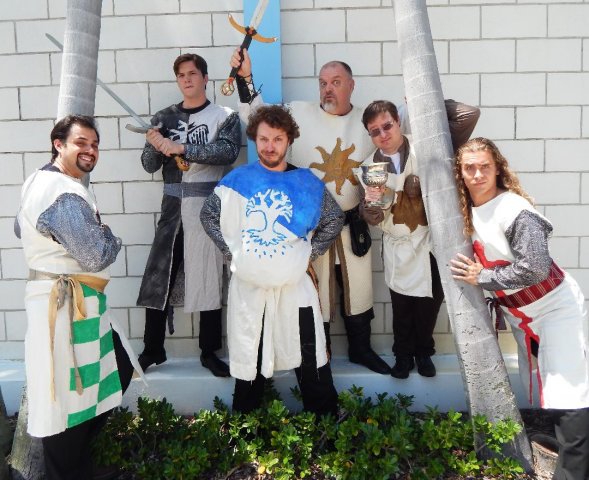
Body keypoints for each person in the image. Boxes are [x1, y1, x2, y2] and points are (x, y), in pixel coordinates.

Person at [229, 48, 390, 374]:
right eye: (323, 83)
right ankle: (320, 353)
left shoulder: (368, 123)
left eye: (336, 82)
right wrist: (245, 78)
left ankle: (361, 349)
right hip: (313, 227)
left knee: (359, 289)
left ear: (351, 85)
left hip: (354, 225)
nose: (328, 89)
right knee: (318, 293)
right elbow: (258, 117)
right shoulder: (298, 115)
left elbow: (393, 148)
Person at [450, 137, 589, 480]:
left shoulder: (513, 209)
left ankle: (573, 473)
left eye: (485, 166)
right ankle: (568, 452)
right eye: (470, 168)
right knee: (546, 389)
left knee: (569, 390)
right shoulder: (467, 208)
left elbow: (536, 267)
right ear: (460, 173)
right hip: (524, 315)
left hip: (554, 308)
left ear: (498, 168)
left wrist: (483, 277)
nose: (478, 174)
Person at [15, 115, 139, 479]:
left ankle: (77, 465)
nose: (90, 150)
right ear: (59, 144)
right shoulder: (61, 191)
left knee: (109, 368)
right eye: (81, 142)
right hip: (64, 304)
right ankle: (65, 472)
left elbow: (19, 227)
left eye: (95, 144)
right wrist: (111, 236)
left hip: (73, 300)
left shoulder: (41, 181)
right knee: (66, 392)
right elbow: (96, 253)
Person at [200, 105, 342, 415]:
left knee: (311, 360)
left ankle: (327, 424)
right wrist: (234, 253)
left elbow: (334, 219)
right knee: (250, 362)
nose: (270, 146)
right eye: (264, 139)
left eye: (277, 139)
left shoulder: (306, 182)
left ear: (289, 140)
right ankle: (246, 427)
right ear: (255, 139)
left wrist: (309, 255)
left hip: (296, 290)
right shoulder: (238, 181)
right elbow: (208, 215)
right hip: (250, 291)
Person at [136, 53, 241, 377]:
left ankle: (209, 351)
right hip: (172, 210)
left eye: (193, 73)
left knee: (208, 276)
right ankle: (152, 348)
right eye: (181, 75)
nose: (187, 79)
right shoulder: (163, 118)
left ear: (205, 78)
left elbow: (228, 151)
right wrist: (155, 144)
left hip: (207, 208)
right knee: (159, 277)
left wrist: (183, 148)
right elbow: (149, 166)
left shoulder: (224, 116)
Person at [360, 100, 480, 379]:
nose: (383, 135)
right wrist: (370, 212)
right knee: (401, 307)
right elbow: (377, 214)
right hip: (399, 246)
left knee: (430, 304)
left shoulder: (426, 146)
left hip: (431, 243)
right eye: (375, 131)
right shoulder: (371, 166)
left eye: (387, 126)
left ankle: (424, 352)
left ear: (398, 121)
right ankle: (403, 355)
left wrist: (419, 101)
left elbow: (469, 115)